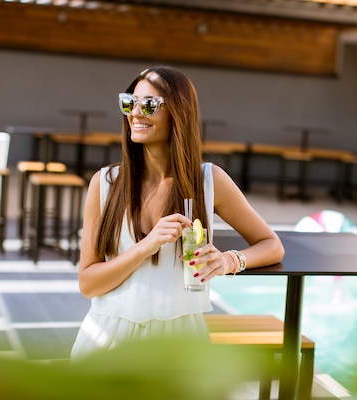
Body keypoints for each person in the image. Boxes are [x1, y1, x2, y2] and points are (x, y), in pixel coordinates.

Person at [71, 66, 284, 358]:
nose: (135, 113)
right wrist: (147, 245)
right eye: (129, 103)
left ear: (178, 113)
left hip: (181, 343)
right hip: (108, 341)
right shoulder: (105, 184)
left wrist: (227, 261)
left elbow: (272, 245)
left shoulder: (209, 181)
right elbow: (88, 283)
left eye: (148, 105)